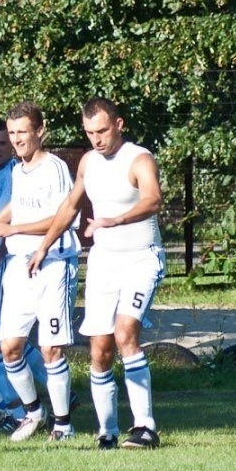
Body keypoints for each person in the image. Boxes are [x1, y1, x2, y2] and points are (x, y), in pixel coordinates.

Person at [28, 97, 165, 449]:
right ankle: (107, 431)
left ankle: (145, 428)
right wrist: (44, 246)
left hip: (141, 258)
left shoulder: (139, 158)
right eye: (90, 133)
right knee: (99, 348)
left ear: (119, 124)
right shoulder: (88, 162)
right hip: (105, 261)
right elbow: (71, 204)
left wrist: (115, 220)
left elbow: (153, 199)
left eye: (102, 130)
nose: (96, 139)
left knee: (124, 333)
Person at [0, 101, 80, 442]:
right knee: (9, 346)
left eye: (22, 133)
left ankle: (63, 426)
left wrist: (15, 230)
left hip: (53, 264)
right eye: (12, 132)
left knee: (50, 348)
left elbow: (64, 217)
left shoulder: (54, 167)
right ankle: (33, 413)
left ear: (39, 131)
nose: (16, 140)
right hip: (19, 266)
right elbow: (16, 205)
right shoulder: (18, 169)